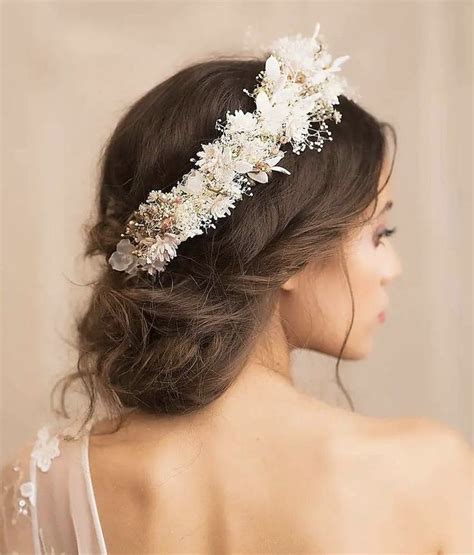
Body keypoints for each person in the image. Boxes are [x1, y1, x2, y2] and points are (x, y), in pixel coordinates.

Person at [1, 24, 472, 555]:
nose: (394, 268)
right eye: (379, 235)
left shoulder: (40, 486)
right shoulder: (426, 471)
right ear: (286, 251)